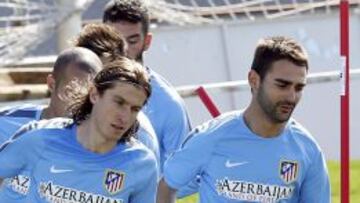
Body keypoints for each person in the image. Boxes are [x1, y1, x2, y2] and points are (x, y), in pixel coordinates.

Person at [157, 36, 331, 203]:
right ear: (254, 80)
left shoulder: (308, 150)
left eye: (299, 87)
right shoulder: (211, 137)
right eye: (282, 85)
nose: (292, 97)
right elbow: (165, 187)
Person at [0, 57, 158, 202]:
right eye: (119, 102)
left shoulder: (141, 163)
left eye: (134, 109)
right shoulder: (41, 137)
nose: (124, 116)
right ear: (94, 95)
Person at [103, 0, 191, 172]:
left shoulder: (169, 104)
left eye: (133, 40)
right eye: (115, 41)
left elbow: (183, 179)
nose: (124, 49)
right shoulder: (86, 90)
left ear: (147, 41)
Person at [0, 47, 103, 145]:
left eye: (91, 95)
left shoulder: (107, 136)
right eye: (72, 92)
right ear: (52, 84)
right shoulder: (6, 123)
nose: (81, 102)